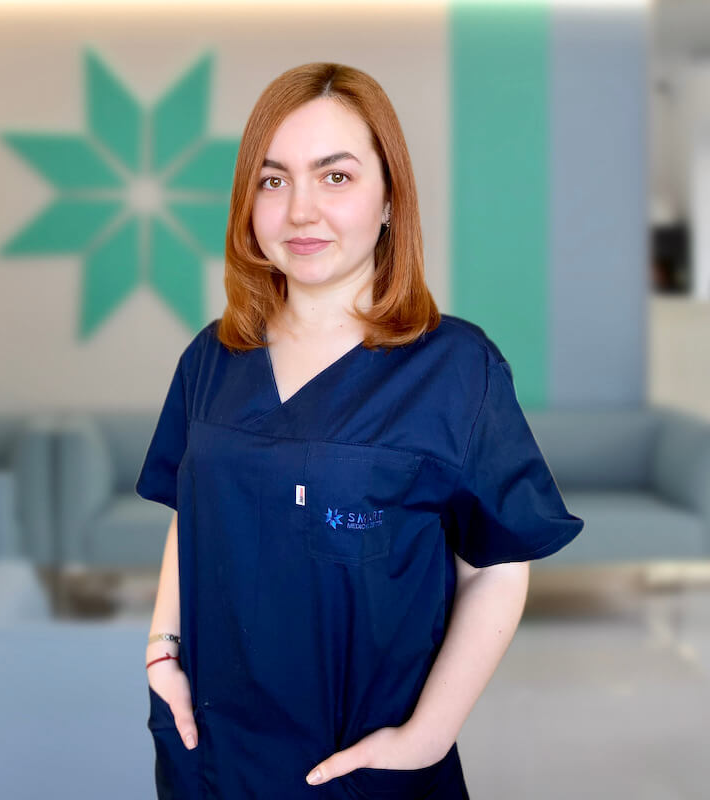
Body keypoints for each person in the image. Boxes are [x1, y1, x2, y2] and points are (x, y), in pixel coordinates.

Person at [136, 61, 584, 800]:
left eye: (335, 176)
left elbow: (497, 568)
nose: (300, 211)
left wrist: (428, 736)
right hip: (211, 755)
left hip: (364, 765)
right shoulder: (212, 359)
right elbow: (194, 513)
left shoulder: (454, 369)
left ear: (389, 199)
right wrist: (162, 652)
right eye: (273, 180)